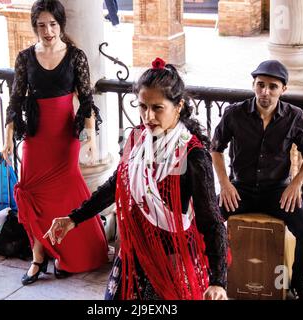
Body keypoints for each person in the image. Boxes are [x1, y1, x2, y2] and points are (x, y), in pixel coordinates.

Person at [44, 57, 229, 300]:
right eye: (142, 106)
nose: (148, 116)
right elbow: (116, 184)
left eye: (157, 108)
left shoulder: (193, 155)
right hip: (134, 253)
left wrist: (218, 281)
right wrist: (74, 218)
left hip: (172, 260)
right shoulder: (136, 139)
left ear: (179, 106)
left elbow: (211, 221)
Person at [2, 0, 108, 286]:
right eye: (41, 25)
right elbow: (14, 101)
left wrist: (92, 141)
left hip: (65, 137)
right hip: (36, 136)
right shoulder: (25, 58)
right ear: (34, 27)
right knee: (32, 193)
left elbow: (86, 102)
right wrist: (8, 139)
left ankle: (66, 254)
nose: (47, 31)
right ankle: (39, 257)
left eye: (52, 24)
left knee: (64, 196)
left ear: (61, 24)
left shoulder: (76, 56)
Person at [211, 60, 303, 300]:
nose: (265, 92)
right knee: (208, 223)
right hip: (240, 190)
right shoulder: (235, 113)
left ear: (283, 90)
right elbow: (216, 149)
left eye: (272, 86)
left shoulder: (294, 116)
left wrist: (295, 184)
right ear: (253, 85)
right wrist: (225, 184)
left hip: (278, 192)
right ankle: (212, 279)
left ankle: (298, 284)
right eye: (260, 85)